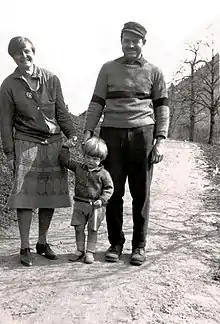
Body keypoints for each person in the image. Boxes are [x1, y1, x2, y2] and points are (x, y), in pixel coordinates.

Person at [83, 22, 169, 266]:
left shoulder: (155, 71)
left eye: (135, 40)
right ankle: (115, 243)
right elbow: (96, 103)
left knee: (141, 194)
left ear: (143, 42)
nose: (130, 45)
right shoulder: (108, 69)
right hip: (111, 134)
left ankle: (139, 246)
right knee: (113, 191)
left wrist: (160, 140)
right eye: (126, 40)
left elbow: (162, 108)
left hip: (143, 134)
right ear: (121, 42)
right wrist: (88, 132)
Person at [0, 36, 77, 267]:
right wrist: (10, 154)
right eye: (17, 54)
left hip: (53, 143)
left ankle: (42, 242)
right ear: (12, 57)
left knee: (49, 195)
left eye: (26, 51)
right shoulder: (8, 86)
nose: (23, 56)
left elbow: (61, 111)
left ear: (33, 51)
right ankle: (25, 246)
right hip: (25, 143)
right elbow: (5, 123)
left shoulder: (51, 79)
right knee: (25, 197)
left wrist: (71, 134)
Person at [59, 136, 114, 264]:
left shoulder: (104, 174)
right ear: (84, 155)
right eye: (88, 157)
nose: (90, 161)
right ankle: (79, 250)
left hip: (96, 207)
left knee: (92, 229)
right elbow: (65, 161)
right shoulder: (79, 168)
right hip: (79, 204)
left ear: (101, 159)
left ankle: (90, 251)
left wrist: (102, 200)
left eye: (95, 158)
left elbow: (109, 188)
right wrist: (65, 147)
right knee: (78, 227)